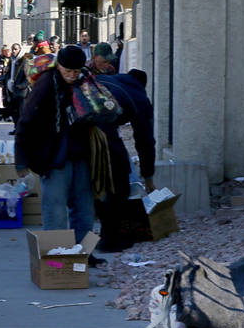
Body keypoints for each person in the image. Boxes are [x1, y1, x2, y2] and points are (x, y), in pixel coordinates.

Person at [14, 44, 99, 248]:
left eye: (75, 71)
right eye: (67, 70)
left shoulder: (86, 81)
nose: (71, 75)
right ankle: (57, 259)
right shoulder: (46, 84)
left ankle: (85, 254)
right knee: (55, 209)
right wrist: (21, 160)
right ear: (58, 66)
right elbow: (25, 121)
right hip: (53, 157)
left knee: (85, 209)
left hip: (81, 153)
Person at [95, 69, 156, 252]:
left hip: (79, 126)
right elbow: (145, 141)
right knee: (120, 182)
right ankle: (110, 239)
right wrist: (148, 177)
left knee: (92, 185)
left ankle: (89, 240)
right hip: (101, 128)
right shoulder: (138, 97)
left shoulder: (111, 80)